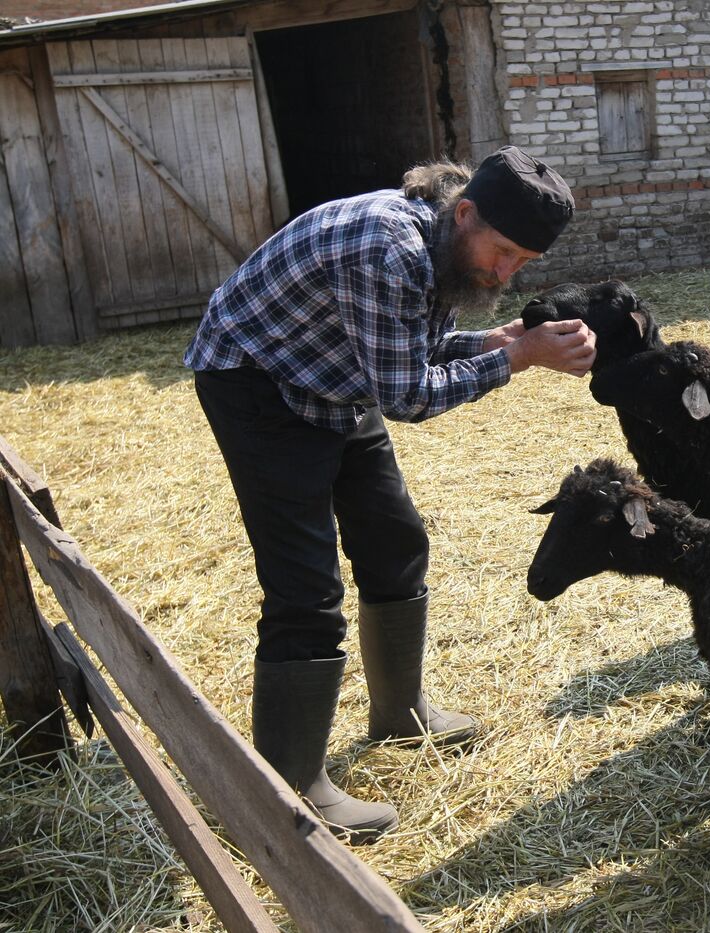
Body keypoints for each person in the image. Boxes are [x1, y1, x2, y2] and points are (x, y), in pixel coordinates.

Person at [185, 146, 595, 842]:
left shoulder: (442, 245)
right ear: (464, 212)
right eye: (501, 252)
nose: (504, 273)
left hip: (334, 376)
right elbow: (406, 394)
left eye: (521, 263)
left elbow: (409, 351)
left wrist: (492, 341)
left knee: (394, 538)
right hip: (257, 381)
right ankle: (288, 788)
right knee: (306, 589)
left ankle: (400, 713)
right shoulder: (389, 250)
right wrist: (516, 358)